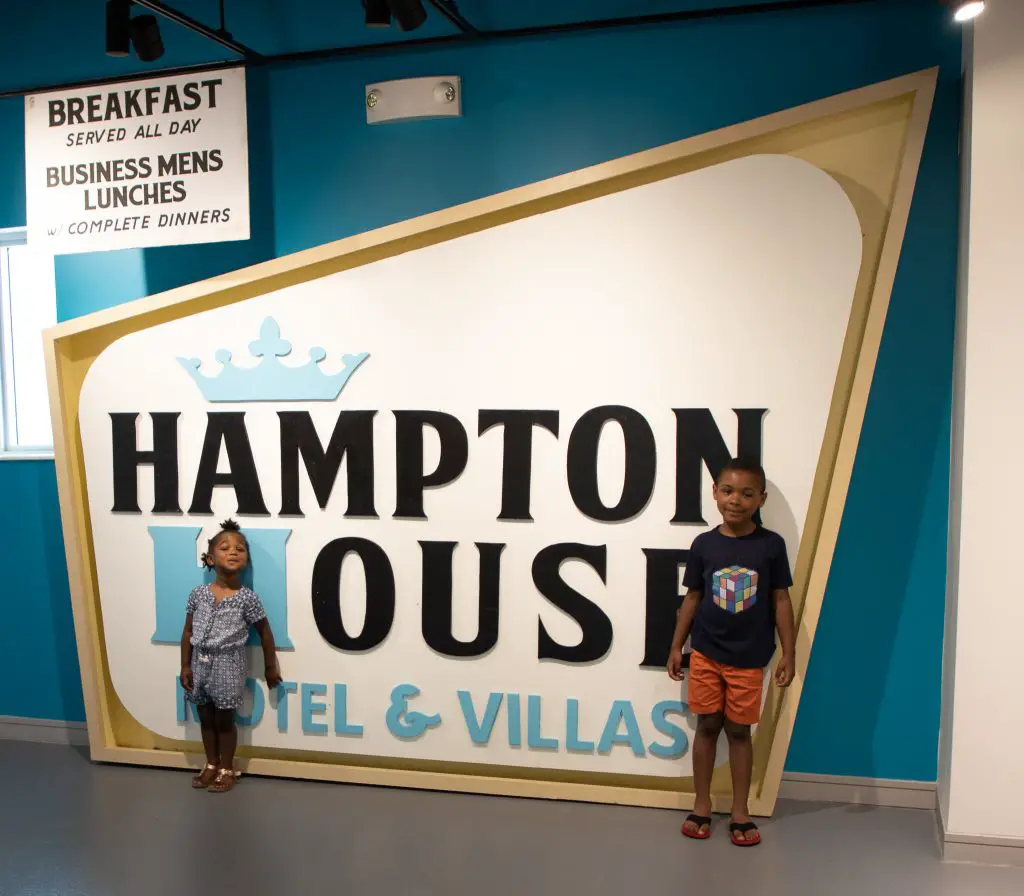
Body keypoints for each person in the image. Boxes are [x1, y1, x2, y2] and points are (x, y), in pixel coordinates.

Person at [667, 459, 796, 846]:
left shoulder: (771, 545)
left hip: (750, 658)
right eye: (727, 491)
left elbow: (780, 599)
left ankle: (741, 810)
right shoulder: (704, 545)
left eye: (746, 493)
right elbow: (692, 597)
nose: (735, 500)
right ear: (714, 493)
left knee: (740, 731)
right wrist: (677, 645)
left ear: (761, 499)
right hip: (706, 653)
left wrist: (789, 652)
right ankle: (702, 803)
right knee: (707, 726)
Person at [180, 519, 282, 793]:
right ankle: (210, 763)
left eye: (240, 548)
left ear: (247, 560)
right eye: (225, 548)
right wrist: (184, 666)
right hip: (199, 663)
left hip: (229, 664)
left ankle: (227, 767)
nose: (234, 552)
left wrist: (270, 668)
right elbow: (188, 630)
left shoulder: (247, 598)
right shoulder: (198, 594)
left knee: (225, 719)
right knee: (205, 716)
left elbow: (265, 633)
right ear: (211, 558)